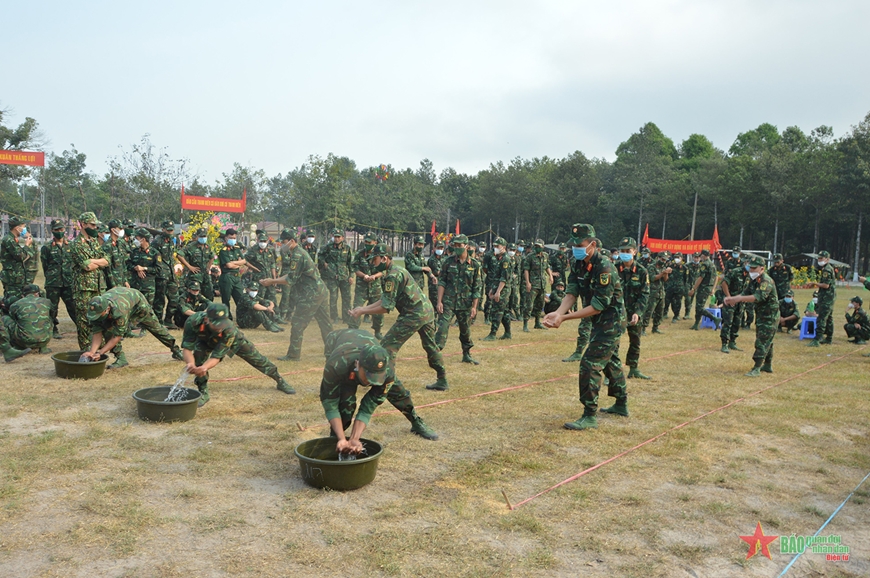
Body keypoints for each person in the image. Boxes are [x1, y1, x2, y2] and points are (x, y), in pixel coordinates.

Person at [543, 224, 627, 430]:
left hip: (611, 321)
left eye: (579, 245)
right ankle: (621, 404)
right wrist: (559, 312)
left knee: (590, 363)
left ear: (593, 244)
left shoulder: (604, 267)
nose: (575, 249)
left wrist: (565, 319)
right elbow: (571, 293)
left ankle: (589, 415)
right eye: (573, 245)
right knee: (611, 361)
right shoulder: (578, 262)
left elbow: (598, 306)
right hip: (599, 321)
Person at [348, 243, 449, 391]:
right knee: (431, 346)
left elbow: (385, 307)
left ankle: (387, 384)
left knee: (388, 346)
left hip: (413, 314)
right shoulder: (393, 272)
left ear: (384, 259)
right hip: (425, 311)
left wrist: (362, 311)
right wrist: (362, 309)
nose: (372, 262)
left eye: (374, 259)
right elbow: (385, 299)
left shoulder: (392, 276)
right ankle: (442, 379)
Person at [320, 329, 437, 454]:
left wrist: (355, 438)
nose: (371, 382)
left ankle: (416, 421)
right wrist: (342, 438)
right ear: (358, 364)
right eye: (368, 376)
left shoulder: (387, 371)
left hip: (366, 345)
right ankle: (336, 437)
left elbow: (367, 408)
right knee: (345, 404)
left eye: (376, 377)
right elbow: (330, 403)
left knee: (400, 394)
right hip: (338, 341)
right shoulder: (336, 365)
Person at [181, 303, 294, 406]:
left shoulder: (229, 329)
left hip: (235, 341)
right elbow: (187, 348)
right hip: (204, 341)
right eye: (216, 324)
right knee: (198, 361)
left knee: (258, 359)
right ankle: (203, 391)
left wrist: (204, 367)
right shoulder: (193, 322)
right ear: (206, 319)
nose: (220, 327)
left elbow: (216, 356)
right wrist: (191, 364)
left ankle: (279, 380)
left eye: (222, 323)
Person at [259, 229, 333, 361]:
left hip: (311, 294)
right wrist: (274, 280)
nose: (282, 244)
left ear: (292, 241)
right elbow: (292, 275)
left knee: (298, 323)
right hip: (320, 290)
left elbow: (290, 280)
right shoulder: (299, 253)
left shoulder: (297, 255)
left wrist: (272, 281)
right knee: (325, 324)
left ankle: (293, 355)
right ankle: (333, 353)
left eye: (284, 242)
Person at [81, 287, 184, 369]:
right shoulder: (95, 311)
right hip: (120, 298)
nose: (97, 317)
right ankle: (121, 358)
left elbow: (117, 336)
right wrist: (92, 352)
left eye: (99, 314)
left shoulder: (120, 310)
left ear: (107, 309)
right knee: (108, 330)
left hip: (138, 305)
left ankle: (176, 350)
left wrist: (100, 352)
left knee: (156, 328)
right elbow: (97, 333)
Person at [724, 255, 778, 377]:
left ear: (762, 269)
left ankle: (757, 367)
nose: (751, 271)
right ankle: (767, 365)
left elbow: (757, 297)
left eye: (754, 268)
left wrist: (738, 299)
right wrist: (732, 299)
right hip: (761, 314)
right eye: (750, 268)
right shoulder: (754, 280)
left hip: (770, 316)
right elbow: (745, 293)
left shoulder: (766, 281)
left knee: (762, 341)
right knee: (766, 339)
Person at [435, 234, 483, 365]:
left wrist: (474, 307)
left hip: (465, 303)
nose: (456, 248)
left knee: (465, 330)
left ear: (466, 246)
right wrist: (439, 301)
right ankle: (435, 354)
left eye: (459, 245)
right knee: (442, 327)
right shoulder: (448, 262)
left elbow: (476, 288)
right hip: (449, 302)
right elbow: (442, 282)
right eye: (454, 245)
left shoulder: (475, 265)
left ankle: (466, 354)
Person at [70, 212, 110, 350]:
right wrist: (97, 262)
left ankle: (98, 344)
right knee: (84, 320)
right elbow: (87, 266)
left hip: (98, 286)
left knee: (99, 317)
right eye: (92, 225)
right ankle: (86, 348)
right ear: (83, 225)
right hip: (84, 288)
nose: (95, 228)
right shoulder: (76, 244)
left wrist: (93, 261)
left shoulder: (94, 242)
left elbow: (107, 260)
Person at [615, 237, 651, 379]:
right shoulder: (613, 269)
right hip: (617, 313)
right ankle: (611, 372)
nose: (624, 253)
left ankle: (633, 368)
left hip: (634, 313)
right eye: (622, 251)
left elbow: (645, 294)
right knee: (614, 343)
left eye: (627, 251)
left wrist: (638, 312)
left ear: (634, 251)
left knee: (635, 341)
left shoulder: (642, 272)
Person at [40, 219, 77, 339]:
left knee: (73, 305)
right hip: (53, 282)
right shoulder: (47, 247)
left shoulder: (71, 245)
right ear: (52, 231)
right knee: (52, 307)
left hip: (68, 282)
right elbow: (45, 265)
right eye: (57, 230)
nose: (60, 232)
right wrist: (51, 276)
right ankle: (53, 329)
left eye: (61, 229)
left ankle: (81, 326)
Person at [348, 233, 384, 338]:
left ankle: (377, 331)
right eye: (366, 242)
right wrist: (364, 276)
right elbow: (355, 268)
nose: (367, 244)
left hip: (375, 287)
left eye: (369, 242)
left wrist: (374, 276)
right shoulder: (360, 254)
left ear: (375, 242)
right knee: (357, 308)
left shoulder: (379, 255)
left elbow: (383, 271)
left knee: (378, 311)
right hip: (362, 287)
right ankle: (353, 330)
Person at [2, 284, 52, 354]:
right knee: (49, 318)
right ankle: (43, 347)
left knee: (5, 318)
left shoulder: (16, 304)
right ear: (37, 294)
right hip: (45, 340)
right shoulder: (47, 302)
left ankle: (15, 346)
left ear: (22, 295)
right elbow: (53, 315)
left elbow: (13, 318)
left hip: (24, 341)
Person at [318, 227, 353, 324]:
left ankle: (346, 317)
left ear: (342, 237)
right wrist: (324, 263)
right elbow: (320, 255)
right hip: (332, 276)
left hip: (344, 276)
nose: (336, 239)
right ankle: (335, 317)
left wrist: (351, 276)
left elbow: (350, 263)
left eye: (338, 237)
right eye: (335, 236)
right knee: (333, 297)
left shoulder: (347, 248)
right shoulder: (328, 247)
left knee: (346, 298)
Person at [482, 237, 513, 341]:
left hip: (503, 289)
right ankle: (508, 333)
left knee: (497, 311)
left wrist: (498, 291)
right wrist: (492, 289)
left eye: (497, 246)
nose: (495, 248)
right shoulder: (498, 259)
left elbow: (504, 278)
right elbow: (496, 276)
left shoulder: (505, 260)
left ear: (503, 247)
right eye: (494, 246)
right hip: (497, 287)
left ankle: (493, 334)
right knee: (504, 312)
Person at [152, 220, 180, 328]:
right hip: (161, 275)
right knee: (160, 300)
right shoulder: (157, 241)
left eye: (171, 230)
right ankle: (158, 322)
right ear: (163, 229)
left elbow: (172, 257)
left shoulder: (172, 240)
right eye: (168, 230)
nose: (170, 231)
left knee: (174, 298)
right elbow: (153, 257)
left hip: (171, 274)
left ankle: (168, 320)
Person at [719, 257, 750, 353]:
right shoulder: (735, 272)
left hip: (741, 302)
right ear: (745, 263)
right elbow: (724, 283)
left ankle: (732, 342)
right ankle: (724, 344)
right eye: (749, 263)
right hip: (731, 301)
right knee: (728, 322)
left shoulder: (751, 275)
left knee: (737, 322)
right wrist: (729, 297)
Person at [177, 227, 216, 300]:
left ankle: (206, 310)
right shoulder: (191, 246)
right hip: (195, 275)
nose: (203, 238)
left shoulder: (207, 247)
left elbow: (212, 256)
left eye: (204, 236)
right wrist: (189, 266)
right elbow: (179, 255)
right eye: (201, 236)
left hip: (205, 274)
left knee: (210, 295)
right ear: (197, 236)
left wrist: (208, 267)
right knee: (194, 295)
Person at [522, 239, 553, 332]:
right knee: (529, 305)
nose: (537, 248)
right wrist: (527, 282)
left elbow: (547, 267)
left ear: (543, 247)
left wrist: (550, 276)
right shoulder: (530, 257)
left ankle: (537, 323)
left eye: (539, 246)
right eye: (536, 246)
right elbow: (526, 270)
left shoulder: (545, 256)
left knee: (540, 304)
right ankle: (525, 324)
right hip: (533, 284)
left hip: (542, 284)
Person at [807, 250, 836, 346]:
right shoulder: (827, 268)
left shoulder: (827, 270)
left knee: (822, 318)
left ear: (827, 259)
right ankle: (829, 338)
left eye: (821, 258)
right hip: (829, 297)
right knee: (829, 318)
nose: (819, 260)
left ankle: (817, 339)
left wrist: (814, 283)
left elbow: (826, 285)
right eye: (818, 258)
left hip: (826, 298)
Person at [218, 228, 248, 318]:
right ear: (226, 238)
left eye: (234, 238)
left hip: (236, 277)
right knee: (226, 300)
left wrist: (234, 263)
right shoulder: (223, 251)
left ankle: (242, 317)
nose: (233, 240)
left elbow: (244, 261)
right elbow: (228, 266)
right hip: (227, 277)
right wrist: (237, 263)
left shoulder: (237, 249)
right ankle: (227, 318)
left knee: (240, 298)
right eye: (231, 238)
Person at [688, 249, 722, 331]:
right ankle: (696, 324)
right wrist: (713, 288)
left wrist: (693, 288)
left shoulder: (705, 265)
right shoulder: (712, 265)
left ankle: (714, 318)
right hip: (708, 287)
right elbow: (716, 277)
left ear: (703, 255)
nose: (700, 257)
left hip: (703, 288)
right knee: (699, 306)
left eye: (701, 255)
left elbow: (700, 278)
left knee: (699, 307)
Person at [0, 216, 32, 299]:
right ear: (17, 228)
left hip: (16, 278)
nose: (24, 229)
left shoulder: (13, 239)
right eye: (23, 226)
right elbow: (21, 256)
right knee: (12, 302)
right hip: (12, 279)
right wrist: (27, 245)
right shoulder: (9, 240)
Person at [245, 232, 278, 304]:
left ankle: (273, 314)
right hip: (258, 279)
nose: (263, 243)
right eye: (261, 241)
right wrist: (253, 268)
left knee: (272, 299)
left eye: (264, 241)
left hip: (269, 279)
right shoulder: (253, 250)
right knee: (260, 299)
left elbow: (273, 263)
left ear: (268, 241)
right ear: (257, 240)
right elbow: (245, 261)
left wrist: (274, 278)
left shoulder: (271, 249)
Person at [642, 251, 670, 334]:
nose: (663, 261)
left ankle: (655, 327)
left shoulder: (663, 267)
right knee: (649, 311)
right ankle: (643, 328)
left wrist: (666, 273)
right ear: (658, 258)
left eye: (665, 260)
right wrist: (663, 273)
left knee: (659, 312)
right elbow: (652, 278)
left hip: (661, 292)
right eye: (662, 259)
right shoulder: (651, 267)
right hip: (653, 293)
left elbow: (665, 280)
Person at [102, 219, 130, 290]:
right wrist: (113, 285)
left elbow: (123, 264)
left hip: (121, 283)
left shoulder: (120, 244)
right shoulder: (107, 246)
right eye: (120, 228)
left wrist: (125, 281)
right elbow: (107, 268)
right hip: (113, 285)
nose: (122, 230)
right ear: (113, 230)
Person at [664, 252, 688, 322]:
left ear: (681, 258)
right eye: (675, 257)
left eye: (678, 257)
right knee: (667, 300)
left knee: (678, 302)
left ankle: (676, 315)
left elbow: (685, 279)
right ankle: (665, 313)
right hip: (670, 287)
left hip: (679, 288)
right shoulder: (670, 266)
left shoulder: (684, 268)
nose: (677, 259)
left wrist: (684, 288)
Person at [426, 240, 446, 304]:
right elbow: (437, 272)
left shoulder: (443, 258)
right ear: (434, 248)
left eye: (441, 248)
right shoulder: (432, 260)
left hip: (442, 284)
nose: (440, 249)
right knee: (434, 303)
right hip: (434, 286)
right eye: (438, 248)